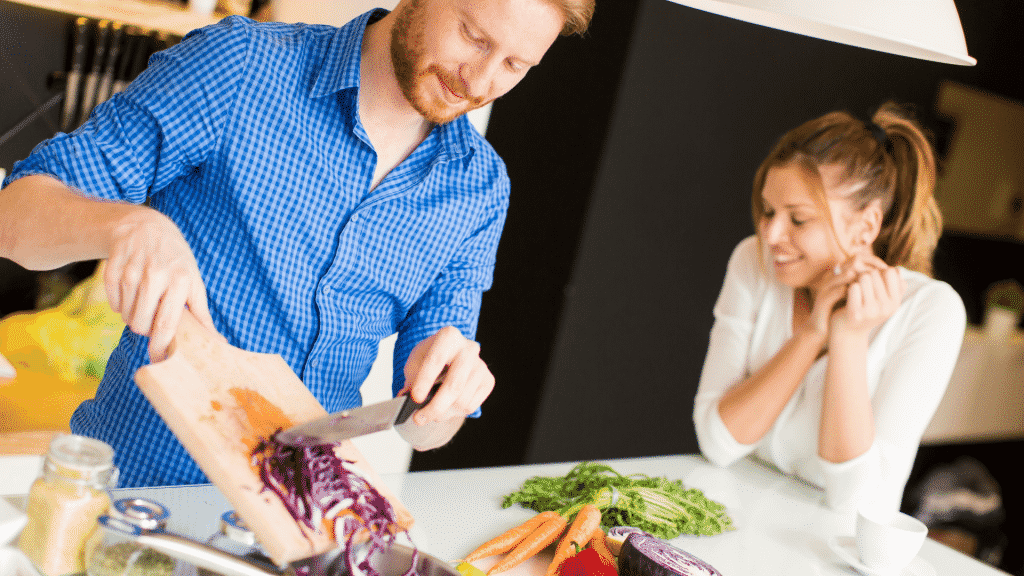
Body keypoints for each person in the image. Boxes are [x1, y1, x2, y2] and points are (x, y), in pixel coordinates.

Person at [0, 0, 594, 487]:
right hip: (134, 502)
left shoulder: (480, 188)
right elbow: (14, 219)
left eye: (516, 66)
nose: (481, 80)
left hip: (297, 529)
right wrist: (126, 225)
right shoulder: (241, 68)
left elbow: (421, 426)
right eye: (473, 37)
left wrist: (445, 396)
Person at [693, 102, 966, 513]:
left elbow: (859, 501)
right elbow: (716, 442)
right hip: (729, 514)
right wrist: (812, 333)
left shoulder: (931, 310)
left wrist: (849, 337)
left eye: (798, 220)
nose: (771, 234)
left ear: (867, 226)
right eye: (768, 212)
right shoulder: (753, 261)